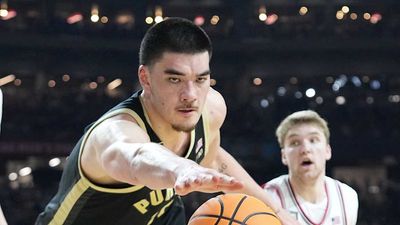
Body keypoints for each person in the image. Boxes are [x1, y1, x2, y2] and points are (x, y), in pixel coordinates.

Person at [36, 17, 299, 225]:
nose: (190, 95)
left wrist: (275, 210)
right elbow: (138, 157)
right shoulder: (114, 132)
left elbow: (213, 158)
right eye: (174, 79)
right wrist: (180, 169)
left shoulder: (210, 109)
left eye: (200, 79)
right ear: (145, 78)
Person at [263, 110, 359, 225]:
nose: (305, 149)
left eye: (313, 140)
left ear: (327, 151)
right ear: (284, 156)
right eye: (295, 143)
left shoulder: (347, 197)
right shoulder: (268, 196)